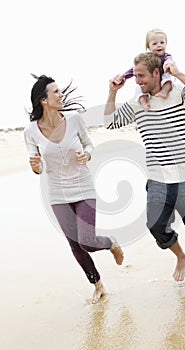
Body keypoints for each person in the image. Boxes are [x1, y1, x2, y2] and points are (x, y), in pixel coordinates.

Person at [104, 52, 185, 286]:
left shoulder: (178, 93)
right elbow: (110, 122)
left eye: (141, 75)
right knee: (155, 225)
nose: (137, 81)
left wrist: (179, 74)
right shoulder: (137, 104)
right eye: (135, 76)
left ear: (157, 73)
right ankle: (181, 256)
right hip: (157, 177)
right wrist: (113, 91)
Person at [24, 74, 124, 304]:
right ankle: (97, 285)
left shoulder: (74, 119)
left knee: (87, 241)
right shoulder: (30, 131)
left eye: (61, 90)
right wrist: (36, 166)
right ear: (43, 100)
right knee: (74, 244)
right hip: (58, 194)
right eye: (56, 92)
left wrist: (86, 154)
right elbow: (37, 168)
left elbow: (88, 143)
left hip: (83, 187)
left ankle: (111, 242)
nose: (61, 95)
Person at [122, 28, 174, 111]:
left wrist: (168, 63)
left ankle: (164, 91)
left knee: (167, 77)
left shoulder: (166, 56)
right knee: (138, 87)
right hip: (151, 81)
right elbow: (135, 69)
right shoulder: (146, 59)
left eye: (162, 42)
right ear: (148, 47)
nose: (159, 45)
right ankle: (144, 102)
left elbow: (169, 60)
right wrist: (124, 76)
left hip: (163, 75)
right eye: (154, 43)